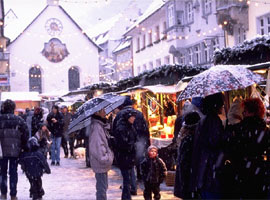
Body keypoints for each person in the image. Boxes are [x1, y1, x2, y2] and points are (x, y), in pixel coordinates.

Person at [228, 98, 269, 199]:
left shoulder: (238, 129)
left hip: (241, 172)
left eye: (245, 110)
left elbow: (231, 151)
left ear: (249, 111)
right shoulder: (265, 130)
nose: (243, 112)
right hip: (259, 173)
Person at [190, 93, 225, 199]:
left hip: (204, 168)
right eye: (222, 105)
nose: (223, 107)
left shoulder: (205, 120)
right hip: (210, 168)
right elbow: (214, 142)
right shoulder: (213, 120)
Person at [0, 99, 29, 200]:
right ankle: (13, 194)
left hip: (1, 151)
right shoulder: (19, 120)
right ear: (13, 108)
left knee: (2, 172)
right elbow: (25, 134)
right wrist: (23, 146)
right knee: (13, 172)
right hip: (15, 150)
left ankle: (3, 193)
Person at [174, 111, 201, 199]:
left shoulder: (186, 139)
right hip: (190, 181)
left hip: (188, 181)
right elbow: (184, 164)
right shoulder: (191, 140)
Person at [88, 108, 114, 200]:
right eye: (103, 111)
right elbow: (97, 146)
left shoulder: (100, 125)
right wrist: (106, 158)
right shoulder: (96, 127)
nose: (105, 112)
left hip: (101, 162)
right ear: (97, 112)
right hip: (100, 162)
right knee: (102, 188)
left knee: (103, 186)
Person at [114, 108, 137, 200]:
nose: (134, 119)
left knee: (128, 180)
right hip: (124, 157)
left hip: (129, 156)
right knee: (127, 180)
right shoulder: (122, 128)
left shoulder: (129, 126)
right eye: (132, 117)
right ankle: (126, 198)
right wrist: (131, 145)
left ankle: (126, 197)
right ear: (128, 117)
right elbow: (123, 143)